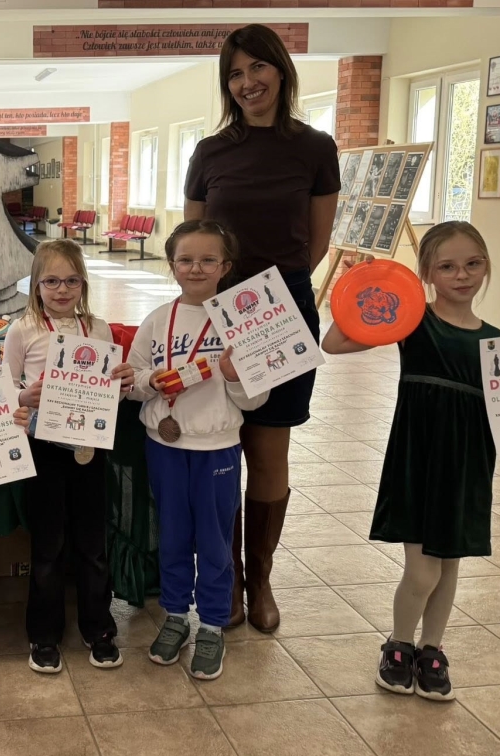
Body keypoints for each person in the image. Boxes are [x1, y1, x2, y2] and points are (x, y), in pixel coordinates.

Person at [321, 222, 500, 701]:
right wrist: (356, 290)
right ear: (427, 274)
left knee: (449, 564)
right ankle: (399, 644)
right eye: (448, 267)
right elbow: (334, 344)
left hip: (467, 461)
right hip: (419, 456)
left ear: (486, 267)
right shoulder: (413, 321)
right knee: (423, 571)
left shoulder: (497, 343)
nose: (462, 275)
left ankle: (431, 650)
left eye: (473, 264)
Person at [183, 24, 341, 633]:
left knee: (270, 450)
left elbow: (316, 241)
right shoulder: (210, 152)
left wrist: (276, 298)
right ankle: (225, 579)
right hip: (216, 309)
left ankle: (262, 578)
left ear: (280, 70)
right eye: (235, 73)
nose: (247, 82)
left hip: (282, 308)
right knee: (220, 446)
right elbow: (194, 241)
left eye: (257, 68)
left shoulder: (315, 147)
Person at [127, 220, 268, 680]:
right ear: (171, 265)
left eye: (208, 260)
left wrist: (233, 375)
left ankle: (211, 624)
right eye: (186, 259)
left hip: (217, 449)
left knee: (214, 540)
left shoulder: (242, 324)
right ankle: (175, 616)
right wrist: (153, 381)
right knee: (171, 535)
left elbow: (256, 399)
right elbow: (132, 380)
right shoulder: (157, 320)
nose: (196, 268)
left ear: (225, 267)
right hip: (164, 446)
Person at [3, 239, 135, 674]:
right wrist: (24, 395)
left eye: (71, 281)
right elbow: (4, 387)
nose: (62, 290)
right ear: (36, 285)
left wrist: (120, 386)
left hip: (89, 449)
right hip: (43, 449)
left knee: (93, 544)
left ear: (84, 284)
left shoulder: (97, 329)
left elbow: (109, 392)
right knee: (48, 545)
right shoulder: (23, 329)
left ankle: (99, 629)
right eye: (52, 281)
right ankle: (44, 634)